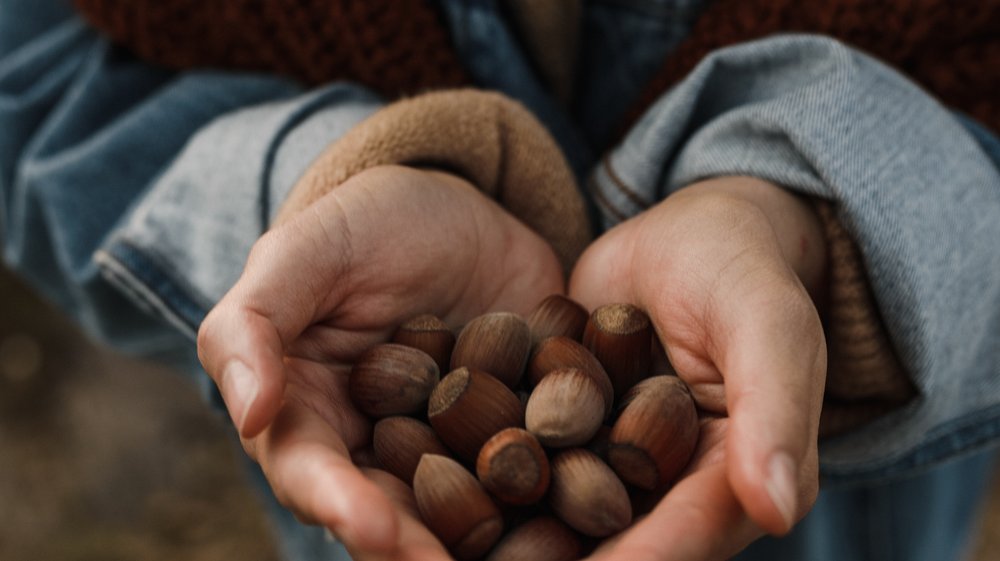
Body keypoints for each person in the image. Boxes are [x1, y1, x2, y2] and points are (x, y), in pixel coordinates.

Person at [2, 1, 999, 560]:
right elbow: (30, 77)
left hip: (857, 505)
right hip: (385, 502)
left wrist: (829, 233)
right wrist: (302, 195)